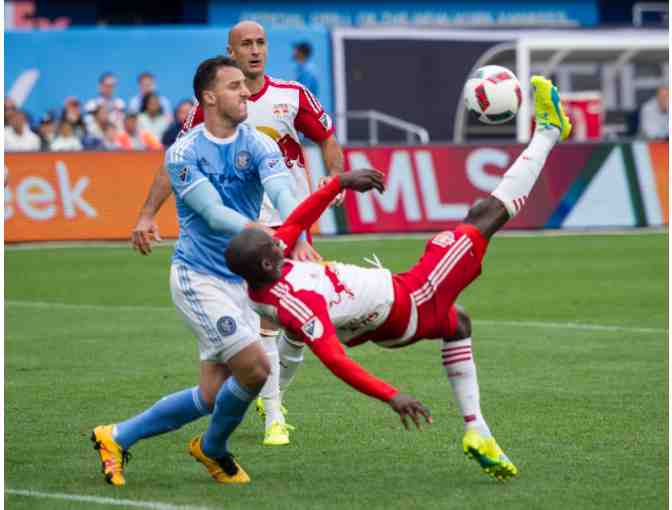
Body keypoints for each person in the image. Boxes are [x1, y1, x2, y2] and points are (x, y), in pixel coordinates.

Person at [224, 76, 573, 482]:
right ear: (268, 265)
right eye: (270, 244)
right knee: (486, 213)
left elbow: (296, 220)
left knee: (457, 322)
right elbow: (336, 360)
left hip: (393, 310)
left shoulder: (267, 267)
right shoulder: (297, 302)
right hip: (412, 299)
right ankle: (549, 131)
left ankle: (478, 431)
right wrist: (392, 395)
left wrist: (340, 182)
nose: (278, 239)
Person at [91, 56, 321, 487]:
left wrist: (300, 236)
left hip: (240, 281)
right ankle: (214, 450)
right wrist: (263, 232)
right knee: (255, 368)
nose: (247, 92)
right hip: (200, 278)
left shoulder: (259, 144)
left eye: (245, 86)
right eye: (235, 86)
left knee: (213, 396)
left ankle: (116, 436)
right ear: (209, 97)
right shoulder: (183, 152)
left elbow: (284, 195)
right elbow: (213, 214)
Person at [130, 20, 351, 447]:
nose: (255, 50)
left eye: (261, 43)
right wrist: (146, 213)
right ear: (230, 51)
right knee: (262, 325)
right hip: (243, 231)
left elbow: (326, 138)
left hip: (291, 221)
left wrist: (334, 181)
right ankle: (273, 418)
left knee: (300, 325)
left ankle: (272, 400)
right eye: (245, 44)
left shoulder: (292, 96)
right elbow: (175, 163)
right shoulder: (208, 108)